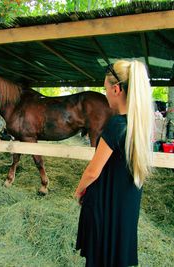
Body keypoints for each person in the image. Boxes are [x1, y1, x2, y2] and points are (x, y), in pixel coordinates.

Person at [74, 60, 154, 267]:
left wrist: (79, 190)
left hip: (106, 204)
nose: (105, 94)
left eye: (105, 89)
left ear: (116, 89)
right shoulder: (138, 125)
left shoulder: (116, 125)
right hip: (126, 204)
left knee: (100, 256)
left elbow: (93, 171)